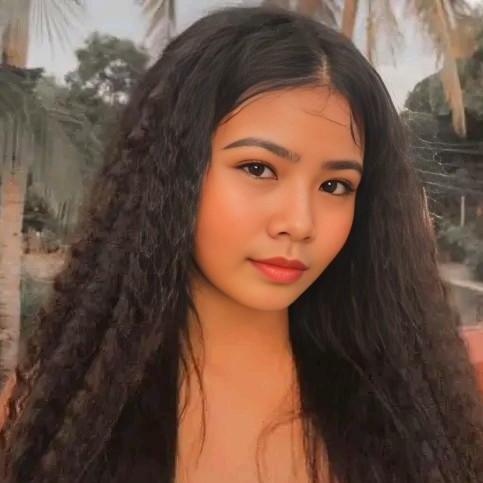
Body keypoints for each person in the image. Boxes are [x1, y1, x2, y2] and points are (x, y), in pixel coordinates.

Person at [1, 5, 483, 483]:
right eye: (258, 168)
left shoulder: (414, 407)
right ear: (171, 171)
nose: (299, 223)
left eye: (335, 185)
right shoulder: (61, 414)